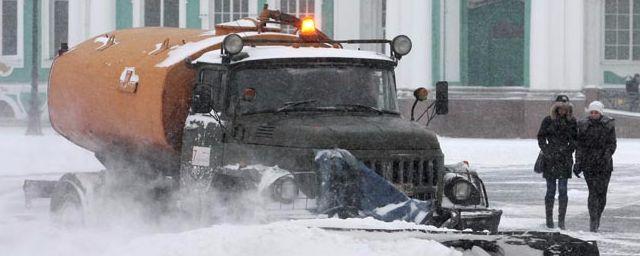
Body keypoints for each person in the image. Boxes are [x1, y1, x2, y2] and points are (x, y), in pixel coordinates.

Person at [573, 101, 617, 232]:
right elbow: (579, 146)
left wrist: (605, 156)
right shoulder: (583, 125)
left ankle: (598, 216)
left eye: (596, 112)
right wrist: (578, 162)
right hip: (589, 164)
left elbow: (612, 144)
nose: (593, 114)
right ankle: (593, 220)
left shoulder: (608, 125)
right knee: (593, 192)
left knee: (601, 193)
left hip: (604, 164)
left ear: (600, 113)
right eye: (591, 112)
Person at [537, 95, 577, 229]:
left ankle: (561, 220)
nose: (563, 111)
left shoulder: (572, 121)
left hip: (565, 159)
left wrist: (568, 149)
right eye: (560, 108)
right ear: (556, 108)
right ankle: (549, 219)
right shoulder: (548, 120)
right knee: (550, 190)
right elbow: (541, 137)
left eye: (565, 108)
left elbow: (575, 139)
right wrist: (547, 150)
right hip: (550, 159)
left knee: (563, 190)